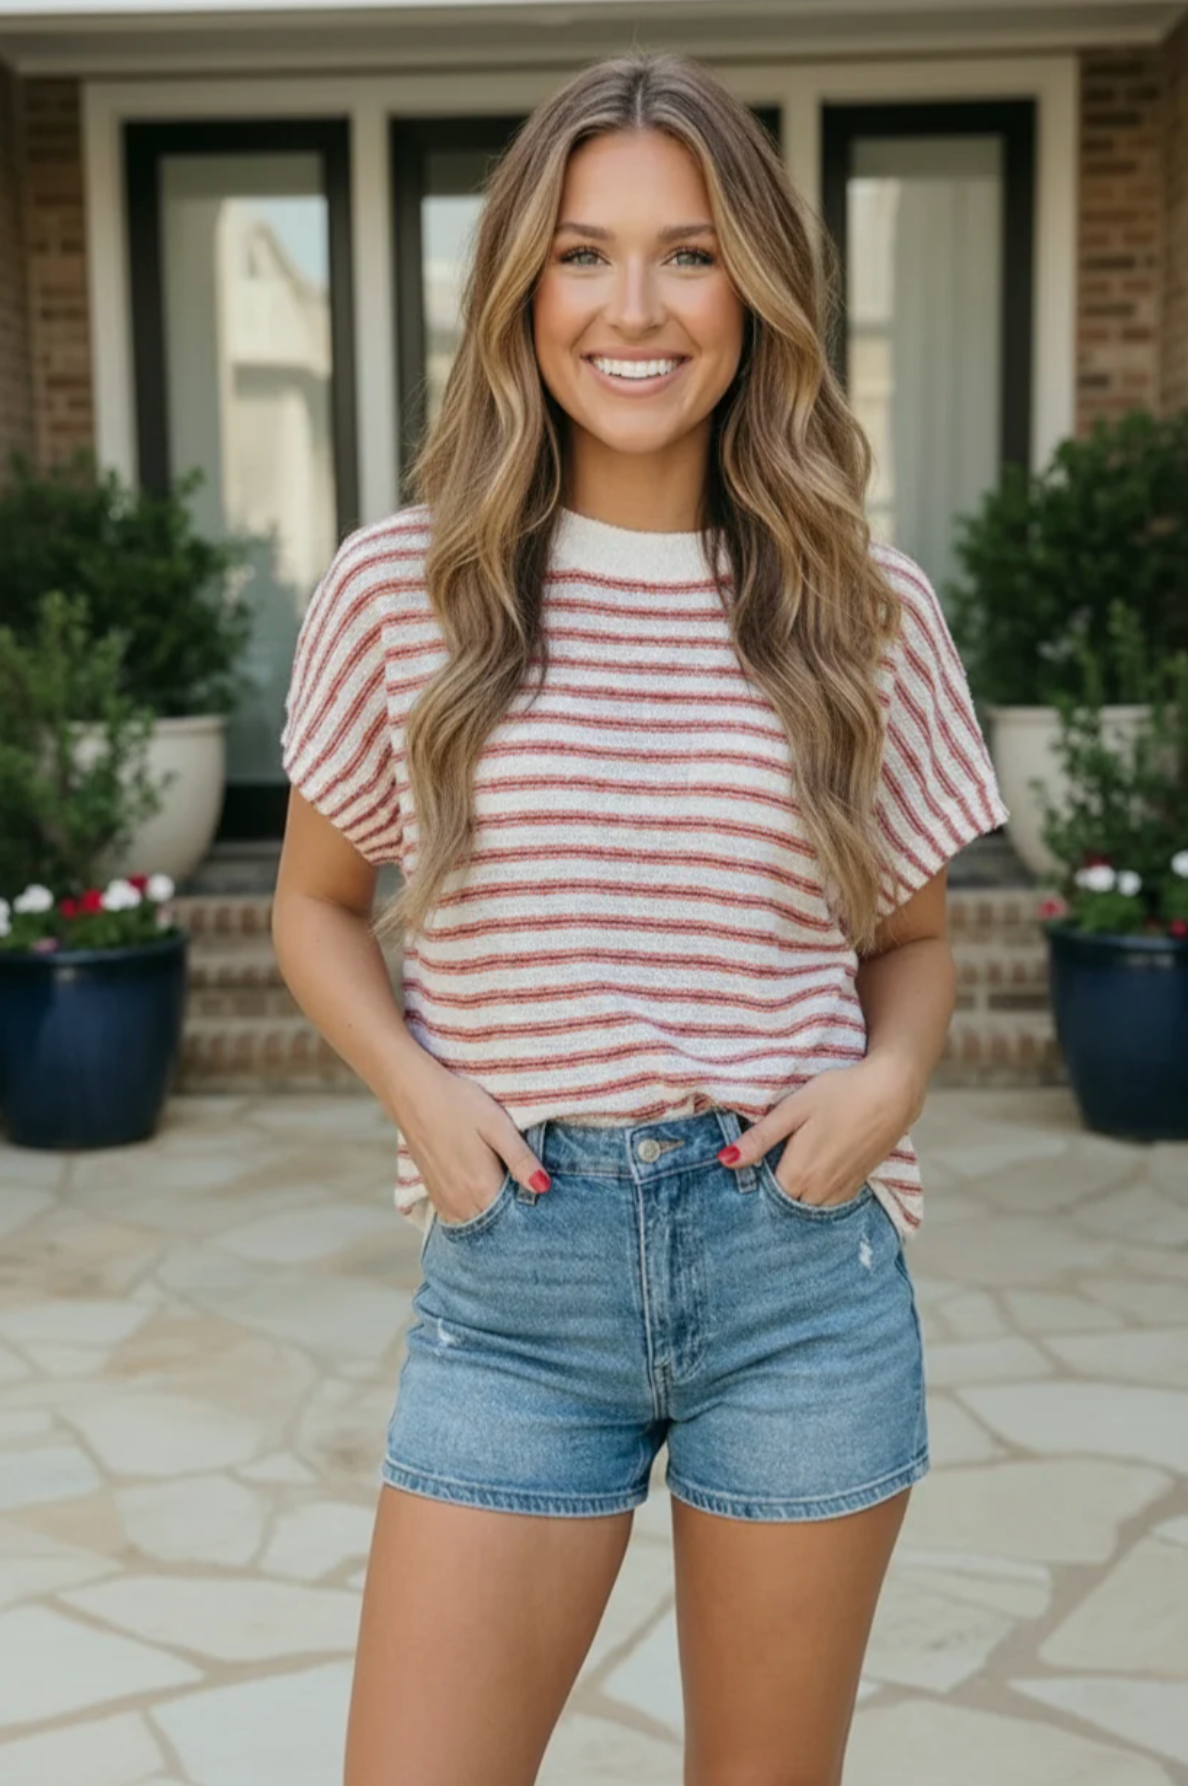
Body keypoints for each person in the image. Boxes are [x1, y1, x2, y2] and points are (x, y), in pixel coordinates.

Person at [272, 49, 1009, 1786]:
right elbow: (316, 907)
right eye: (585, 253)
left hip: (795, 1269)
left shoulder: (859, 606)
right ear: (523, 291)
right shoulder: (408, 586)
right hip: (518, 1274)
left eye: (688, 253)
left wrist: (887, 1088)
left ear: (755, 296)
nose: (637, 306)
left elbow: (910, 941)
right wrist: (419, 1094)